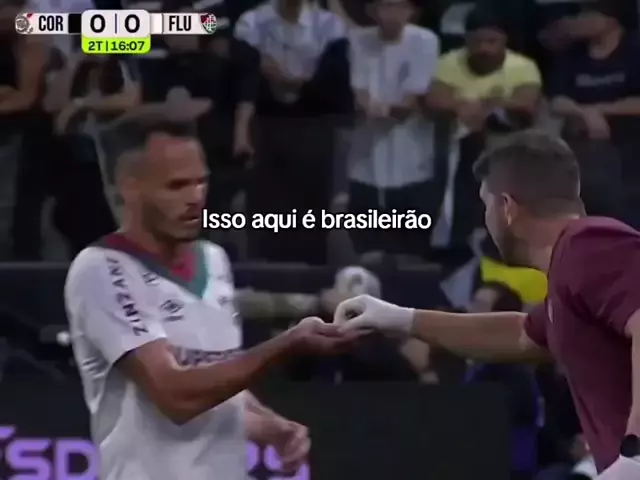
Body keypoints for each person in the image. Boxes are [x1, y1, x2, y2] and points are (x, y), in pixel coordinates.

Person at [64, 118, 361, 480]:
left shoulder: (213, 259)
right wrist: (287, 343)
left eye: (201, 181)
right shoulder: (102, 269)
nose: (195, 198)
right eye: (177, 185)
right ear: (131, 188)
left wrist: (268, 424)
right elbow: (175, 396)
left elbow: (213, 376)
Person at [334, 130, 640, 478]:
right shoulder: (570, 271)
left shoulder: (588, 243)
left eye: (485, 205)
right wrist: (401, 319)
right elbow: (520, 336)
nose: (485, 220)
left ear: (507, 208)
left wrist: (637, 452)